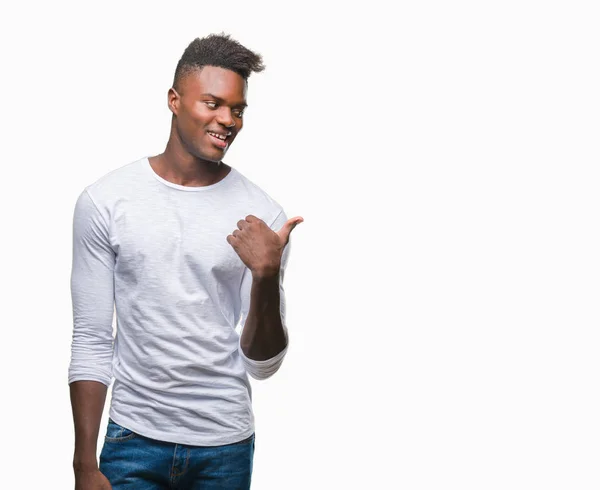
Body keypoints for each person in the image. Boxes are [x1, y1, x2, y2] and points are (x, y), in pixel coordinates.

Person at [68, 33, 303, 489]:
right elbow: (92, 338)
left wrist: (266, 275)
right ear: (174, 100)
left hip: (225, 446)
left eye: (237, 109)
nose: (227, 120)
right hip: (131, 438)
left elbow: (263, 364)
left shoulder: (264, 219)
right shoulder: (106, 201)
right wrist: (83, 463)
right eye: (212, 103)